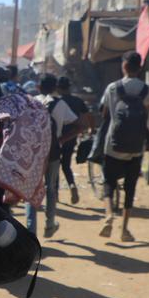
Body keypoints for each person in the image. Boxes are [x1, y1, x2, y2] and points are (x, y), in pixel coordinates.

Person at [98, 51, 149, 241]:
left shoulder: (113, 87)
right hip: (136, 147)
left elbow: (104, 113)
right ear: (140, 67)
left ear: (124, 66)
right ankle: (125, 230)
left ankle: (109, 215)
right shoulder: (146, 89)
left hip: (113, 145)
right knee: (130, 187)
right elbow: (146, 116)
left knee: (109, 183)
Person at [25, 75, 81, 237]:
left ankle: (30, 232)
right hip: (53, 151)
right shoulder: (60, 104)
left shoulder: (30, 102)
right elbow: (80, 125)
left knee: (31, 190)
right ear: (55, 87)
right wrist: (60, 140)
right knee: (50, 188)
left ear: (38, 86)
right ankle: (50, 224)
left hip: (33, 152)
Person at [56, 76, 89, 205]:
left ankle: (55, 194)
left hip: (57, 137)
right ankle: (71, 185)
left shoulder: (57, 101)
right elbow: (87, 117)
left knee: (54, 165)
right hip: (71, 137)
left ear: (58, 88)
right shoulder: (78, 101)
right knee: (66, 165)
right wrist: (90, 129)